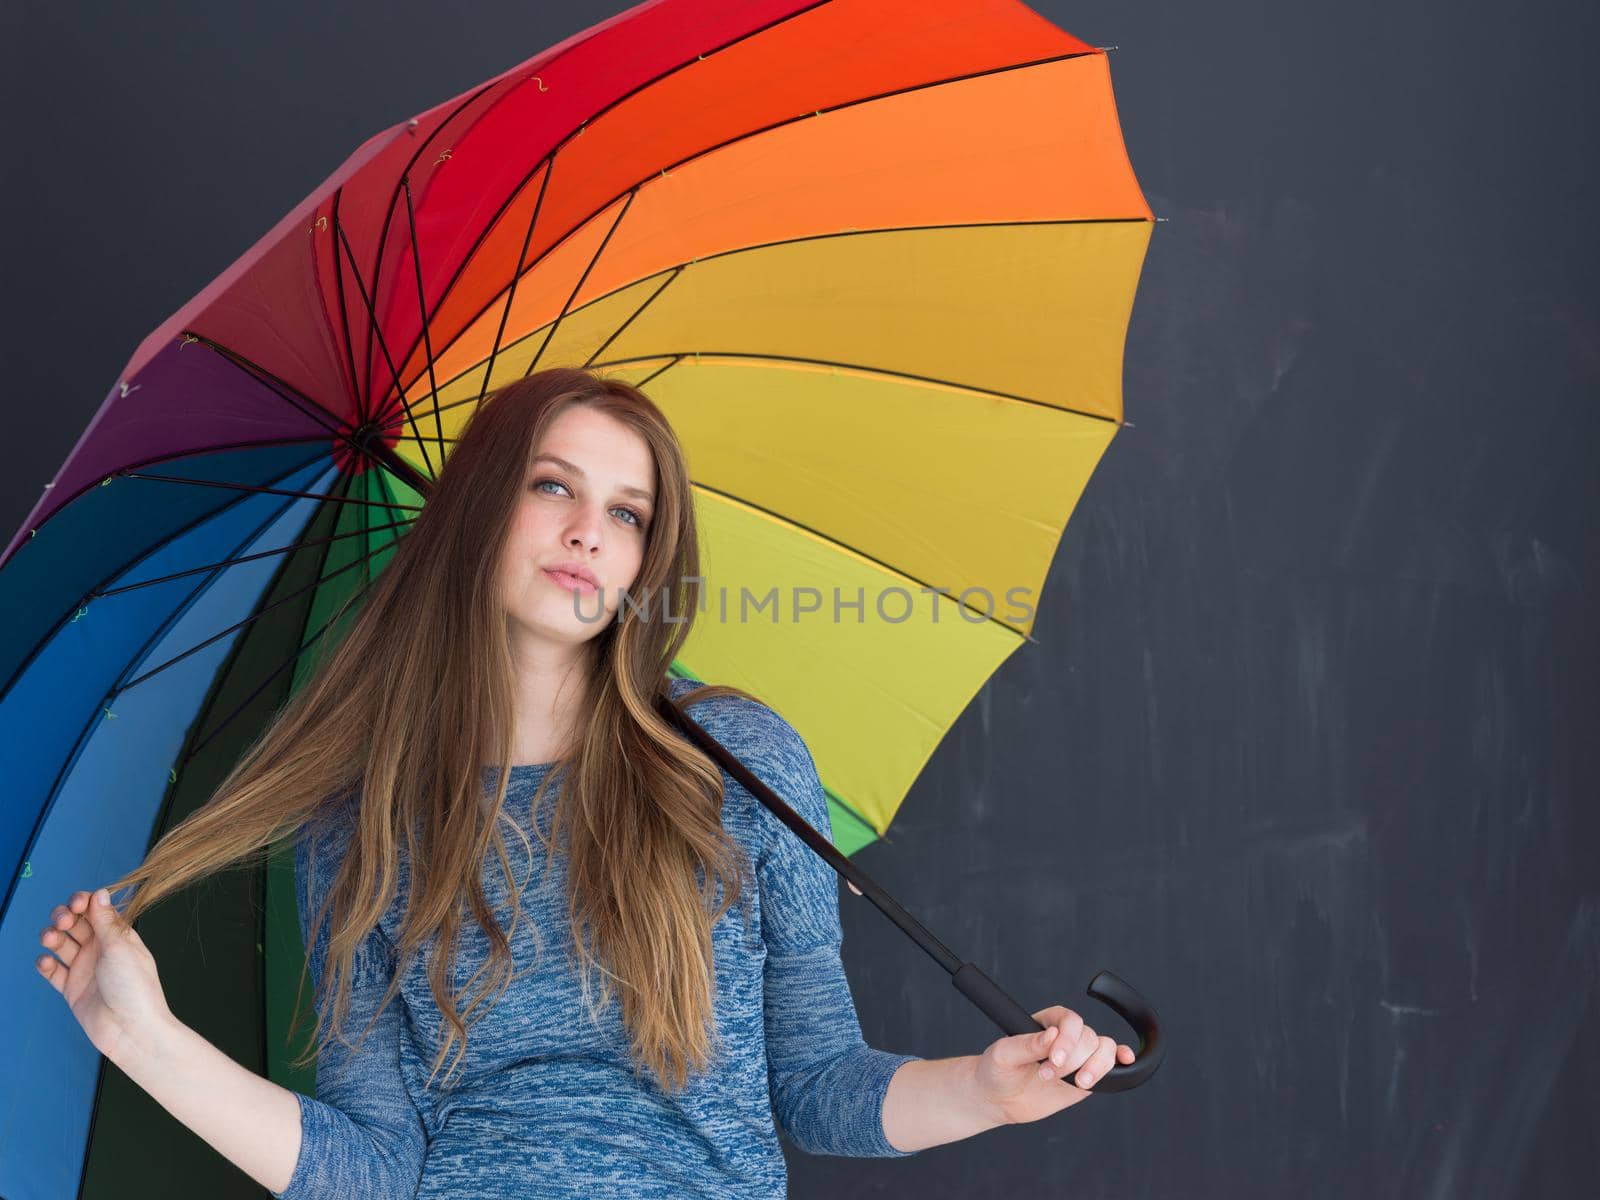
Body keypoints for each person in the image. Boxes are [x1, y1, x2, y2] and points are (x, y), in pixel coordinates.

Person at [33, 366, 1135, 1198]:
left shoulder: (738, 762)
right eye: (551, 485)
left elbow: (818, 1084)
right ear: (476, 515)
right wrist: (144, 1038)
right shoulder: (358, 821)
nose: (586, 533)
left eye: (627, 512)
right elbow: (375, 1166)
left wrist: (990, 1091)